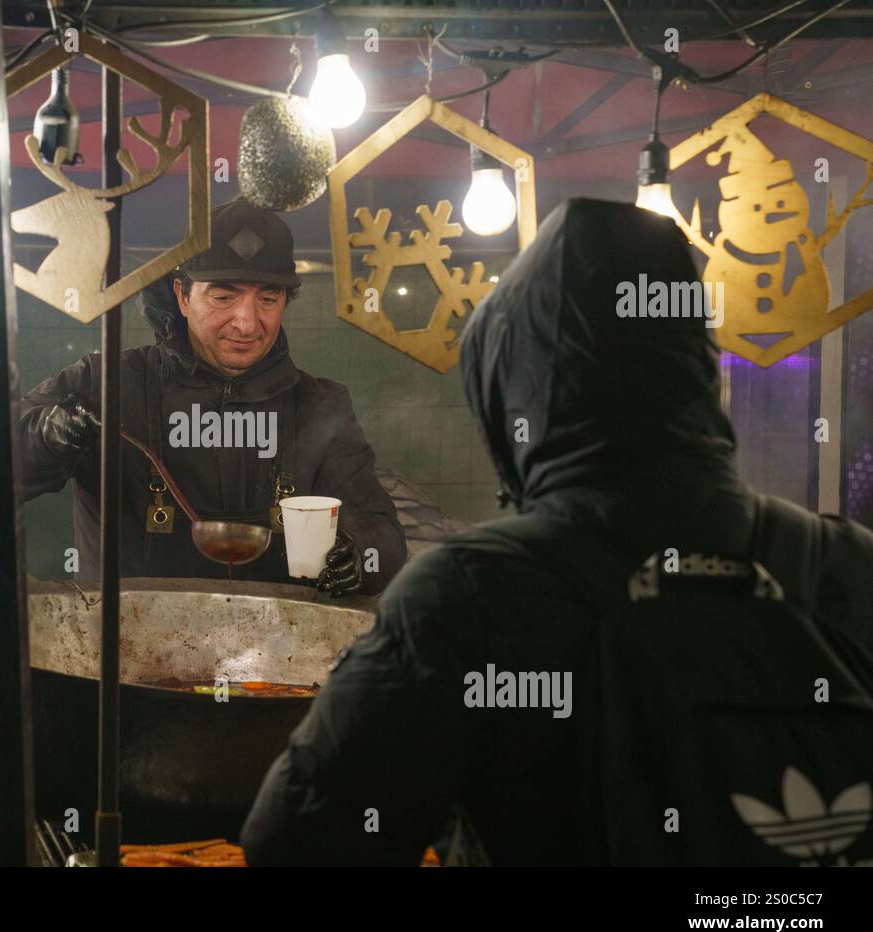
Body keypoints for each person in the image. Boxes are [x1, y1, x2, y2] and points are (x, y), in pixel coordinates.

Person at [240, 198, 873, 865]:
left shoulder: (474, 594)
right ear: (696, 365)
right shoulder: (850, 565)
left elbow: (297, 843)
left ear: (510, 389)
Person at [0, 197, 406, 596]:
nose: (247, 323)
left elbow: (384, 536)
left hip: (275, 664)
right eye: (224, 297)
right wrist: (48, 434)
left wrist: (356, 553)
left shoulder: (319, 405)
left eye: (268, 299)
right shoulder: (111, 383)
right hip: (127, 666)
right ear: (182, 296)